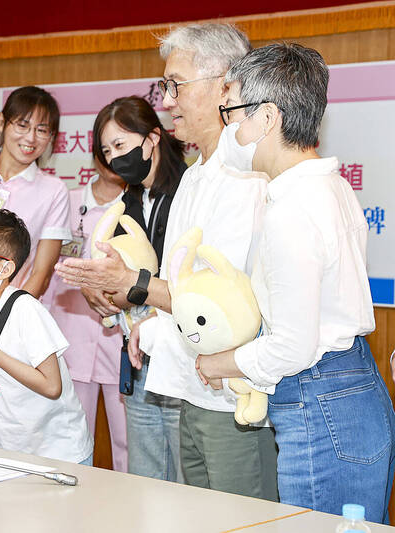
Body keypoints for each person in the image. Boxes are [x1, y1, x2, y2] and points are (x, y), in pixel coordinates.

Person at [55, 24, 277, 501]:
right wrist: (147, 325)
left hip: (231, 393)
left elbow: (222, 300)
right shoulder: (198, 176)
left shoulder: (247, 179)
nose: (169, 100)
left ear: (226, 86)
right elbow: (179, 282)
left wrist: (132, 282)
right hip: (190, 386)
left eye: (176, 85)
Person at [195, 43, 395, 521]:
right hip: (348, 389)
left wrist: (217, 362)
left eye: (233, 113)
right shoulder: (329, 185)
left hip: (320, 399)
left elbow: (291, 347)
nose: (230, 129)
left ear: (266, 117)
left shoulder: (295, 208)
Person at [75, 95, 187, 479]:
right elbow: (117, 268)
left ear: (153, 137)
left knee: (184, 481)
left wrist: (128, 287)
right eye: (106, 151)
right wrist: (97, 289)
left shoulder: (189, 192)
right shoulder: (130, 200)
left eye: (121, 145)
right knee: (145, 476)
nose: (114, 158)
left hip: (181, 355)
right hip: (138, 360)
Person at [0, 209, 93, 463]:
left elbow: (52, 386)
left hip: (58, 454)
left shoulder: (25, 309)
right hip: (11, 450)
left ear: (5, 268)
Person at [42, 158, 127, 470]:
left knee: (126, 442)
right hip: (70, 337)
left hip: (120, 341)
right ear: (94, 154)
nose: (114, 158)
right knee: (71, 439)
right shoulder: (68, 200)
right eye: (107, 149)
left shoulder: (135, 206)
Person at [0, 86, 70, 298]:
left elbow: (42, 273)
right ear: (2, 122)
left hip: (12, 309)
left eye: (41, 130)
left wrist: (8, 317)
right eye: (22, 125)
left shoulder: (54, 190)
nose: (31, 138)